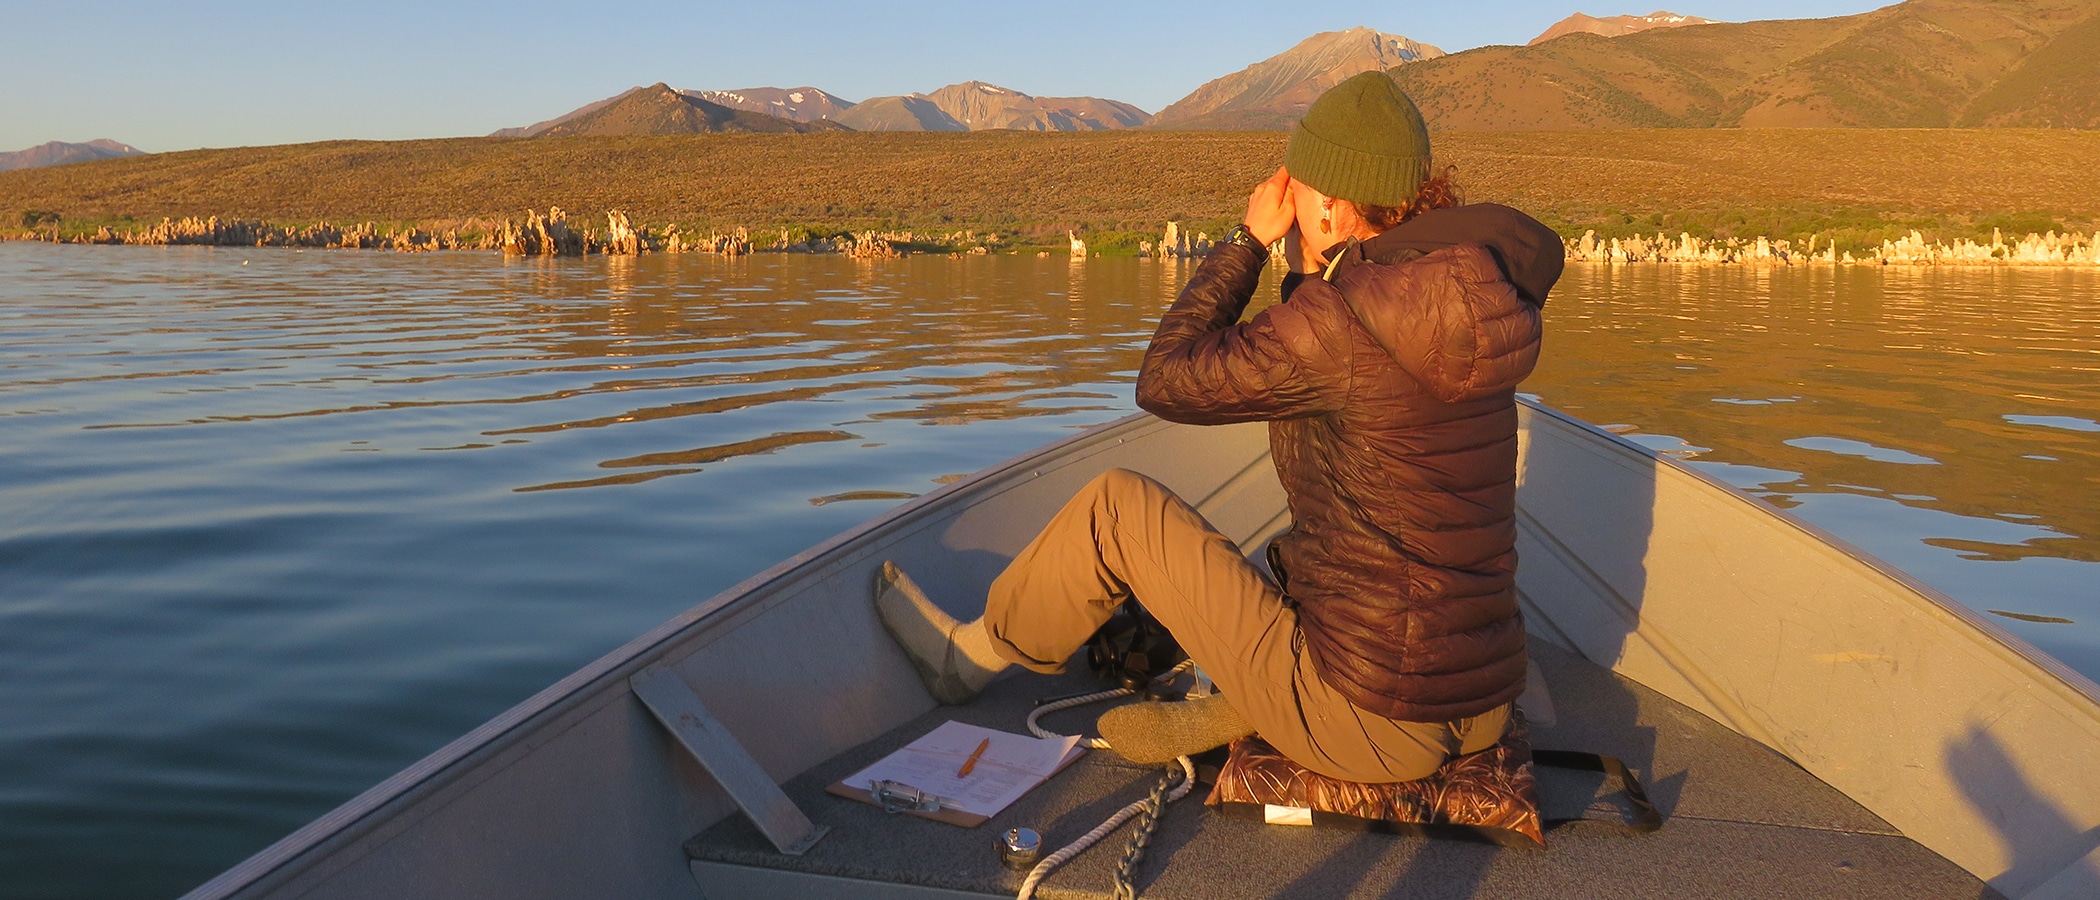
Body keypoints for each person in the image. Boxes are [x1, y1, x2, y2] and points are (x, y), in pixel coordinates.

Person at [875, 72, 1564, 784]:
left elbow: (1165, 380)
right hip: (1478, 701)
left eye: (1293, 189)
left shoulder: (1342, 322)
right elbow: (1333, 388)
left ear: (1329, 203)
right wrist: (1312, 273)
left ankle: (965, 660)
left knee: (1117, 510)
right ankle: (1253, 706)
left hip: (1373, 715)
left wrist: (1248, 242)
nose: (1283, 204)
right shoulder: (1462, 299)